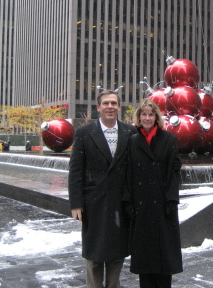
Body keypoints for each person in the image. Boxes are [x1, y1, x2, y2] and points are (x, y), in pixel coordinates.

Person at [68, 90, 136, 288]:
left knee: (117, 254)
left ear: (119, 107)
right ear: (98, 108)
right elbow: (75, 171)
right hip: (93, 203)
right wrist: (76, 203)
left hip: (120, 203)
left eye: (113, 103)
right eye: (106, 103)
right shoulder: (84, 133)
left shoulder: (129, 132)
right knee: (94, 255)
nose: (110, 107)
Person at [123, 98, 183, 288]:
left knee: (164, 260)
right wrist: (128, 202)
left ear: (156, 117)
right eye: (143, 114)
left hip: (163, 206)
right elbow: (128, 173)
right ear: (138, 118)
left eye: (150, 114)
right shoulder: (132, 141)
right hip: (141, 207)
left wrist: (171, 200)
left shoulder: (169, 139)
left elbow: (174, 172)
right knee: (145, 261)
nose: (147, 118)